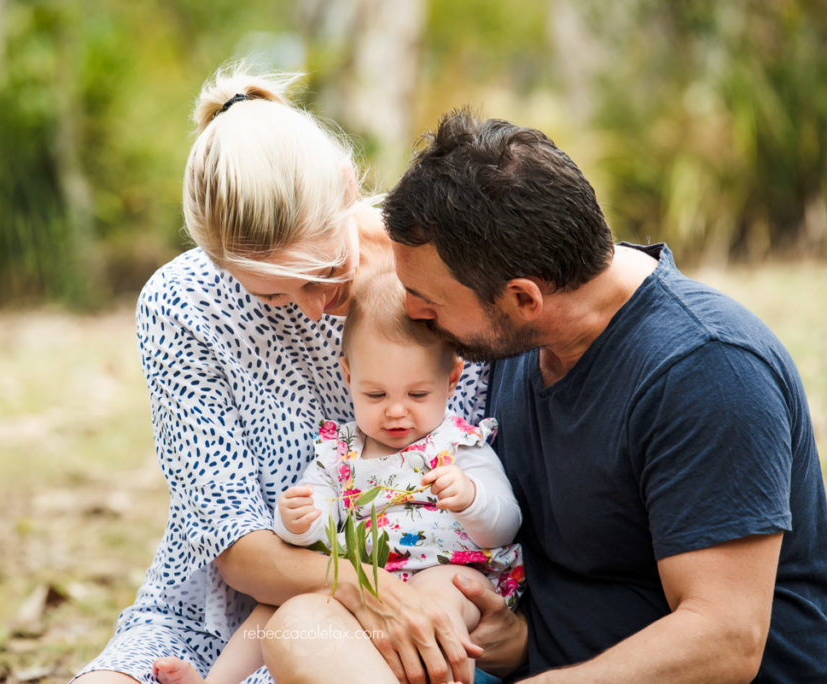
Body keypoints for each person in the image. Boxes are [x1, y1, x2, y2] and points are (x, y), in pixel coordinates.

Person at [334, 108, 824, 681]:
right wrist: (519, 639)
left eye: (427, 300)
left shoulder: (707, 372)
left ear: (522, 298)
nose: (413, 314)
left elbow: (724, 639)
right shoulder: (520, 338)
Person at [73, 66, 504, 684]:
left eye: (320, 273)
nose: (310, 307)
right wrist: (369, 586)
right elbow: (238, 549)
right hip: (230, 619)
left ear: (349, 185)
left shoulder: (443, 275)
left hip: (416, 602)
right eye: (272, 296)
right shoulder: (184, 303)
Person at [150, 270, 526, 684]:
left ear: (452, 378)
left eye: (417, 395)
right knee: (277, 607)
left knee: (440, 593)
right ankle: (215, 682)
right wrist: (296, 522)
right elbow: (315, 532)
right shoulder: (337, 451)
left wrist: (471, 498)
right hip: (358, 583)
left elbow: (505, 525)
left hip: (448, 569)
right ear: (348, 377)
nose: (396, 411)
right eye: (376, 395)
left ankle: (444, 674)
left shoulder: (460, 445)